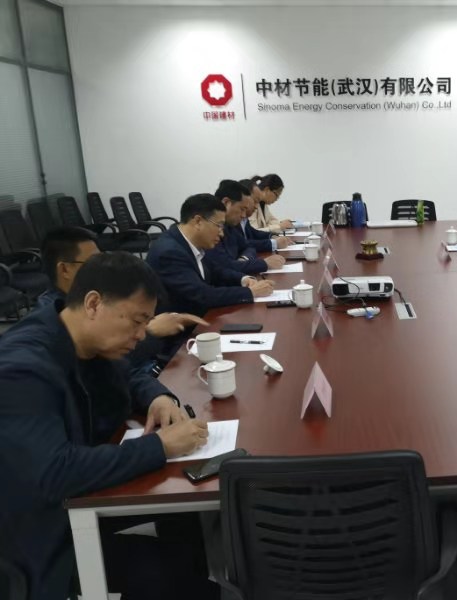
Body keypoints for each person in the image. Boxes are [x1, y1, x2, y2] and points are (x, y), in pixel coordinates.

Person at [0, 252, 209, 600]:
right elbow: (54, 473)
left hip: (79, 493)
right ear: (94, 303)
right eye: (137, 321)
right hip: (39, 532)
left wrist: (159, 398)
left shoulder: (82, 335)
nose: (142, 335)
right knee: (161, 571)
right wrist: (159, 446)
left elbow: (130, 375)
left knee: (183, 515)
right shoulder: (22, 370)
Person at [38, 226, 207, 340]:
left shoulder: (94, 291)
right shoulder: (53, 319)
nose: (99, 266)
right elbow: (105, 357)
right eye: (92, 261)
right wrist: (150, 331)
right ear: (64, 270)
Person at [146, 193, 275, 316]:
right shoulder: (170, 252)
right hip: (184, 327)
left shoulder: (190, 242)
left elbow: (215, 271)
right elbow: (202, 295)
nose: (221, 233)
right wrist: (250, 292)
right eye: (219, 226)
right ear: (198, 221)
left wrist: (243, 279)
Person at [204, 179, 285, 275]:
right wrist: (263, 263)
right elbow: (224, 266)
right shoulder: (209, 229)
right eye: (242, 209)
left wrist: (243, 259)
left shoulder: (230, 226)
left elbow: (249, 246)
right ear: (226, 203)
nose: (243, 215)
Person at [237, 179, 292, 252]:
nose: (256, 206)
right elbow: (242, 244)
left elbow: (254, 232)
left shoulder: (245, 217)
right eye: (255, 201)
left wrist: (272, 236)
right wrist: (274, 243)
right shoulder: (233, 220)